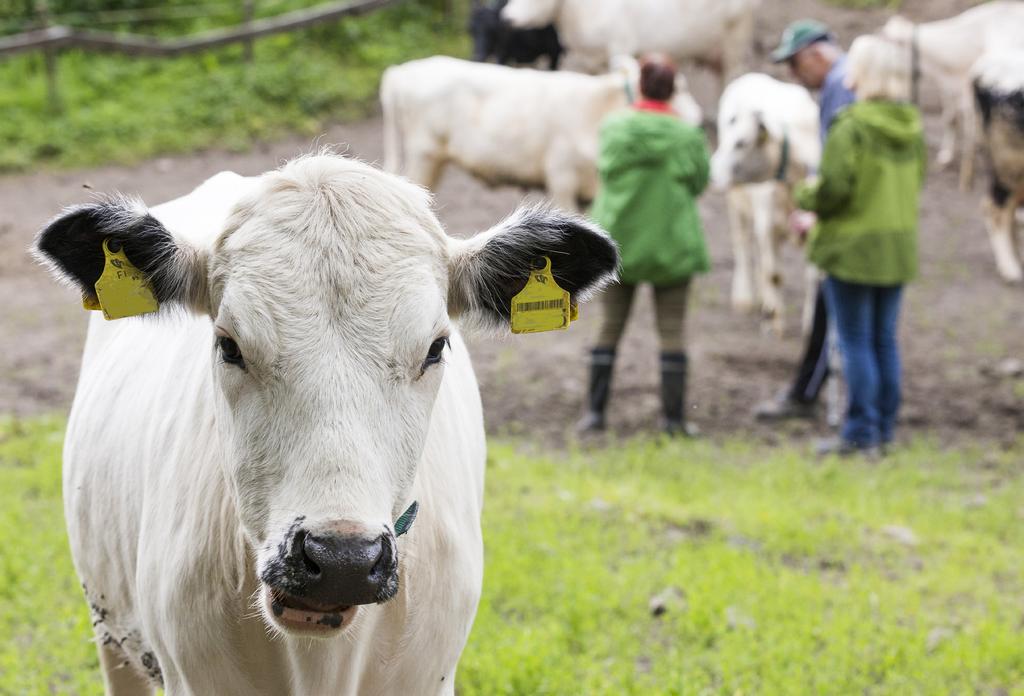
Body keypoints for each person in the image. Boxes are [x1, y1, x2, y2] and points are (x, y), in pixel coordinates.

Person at [794, 35, 926, 456]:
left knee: (853, 341)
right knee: (884, 340)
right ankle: (883, 430)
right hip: (897, 248)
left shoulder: (851, 125)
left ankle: (859, 433)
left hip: (851, 250)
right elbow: (917, 182)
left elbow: (833, 190)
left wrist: (805, 196)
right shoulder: (913, 125)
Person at [579, 54, 710, 436]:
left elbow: (603, 167)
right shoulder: (688, 135)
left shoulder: (615, 127)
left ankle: (595, 415)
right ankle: (673, 421)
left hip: (620, 246)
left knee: (608, 328)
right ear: (672, 91)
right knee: (672, 332)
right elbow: (701, 182)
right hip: (673, 244)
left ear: (639, 87)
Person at [754, 20, 856, 421]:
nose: (794, 76)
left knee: (843, 320)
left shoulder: (839, 87)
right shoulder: (852, 82)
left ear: (816, 53)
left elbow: (838, 166)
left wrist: (813, 203)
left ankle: (823, 402)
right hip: (874, 223)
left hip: (845, 225)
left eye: (795, 65)